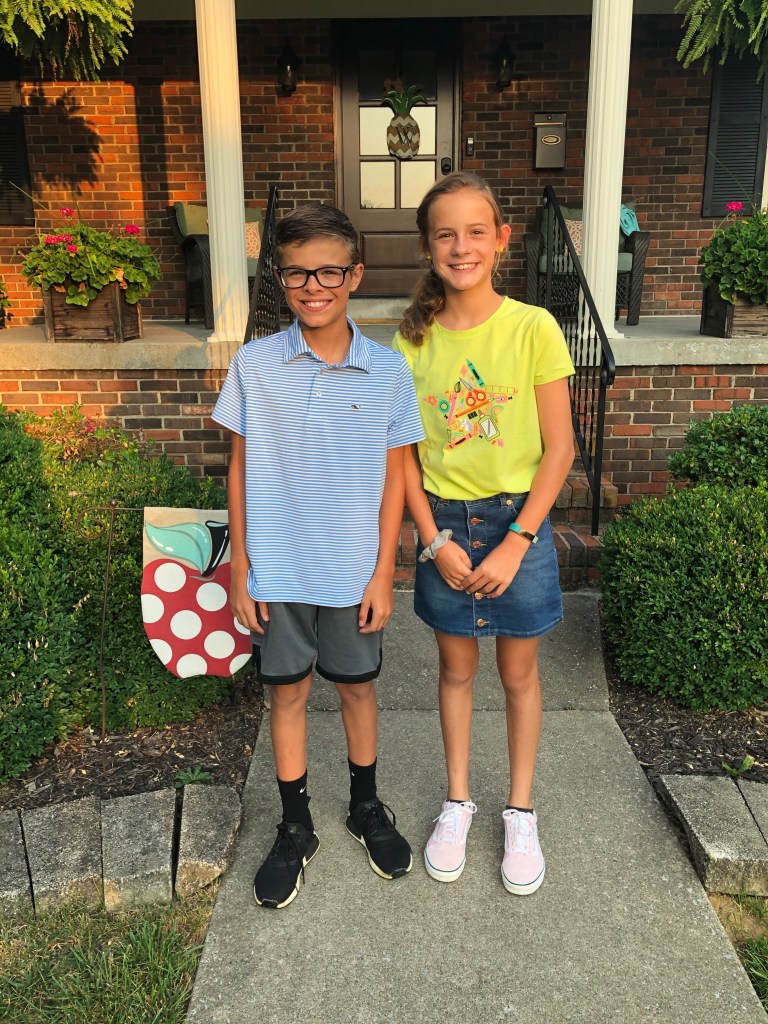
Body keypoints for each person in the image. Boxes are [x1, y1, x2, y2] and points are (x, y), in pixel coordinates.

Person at [213, 203, 424, 909]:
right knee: (288, 694)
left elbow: (396, 478)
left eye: (329, 271)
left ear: (354, 275)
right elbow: (239, 469)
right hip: (277, 568)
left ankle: (365, 807)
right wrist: (241, 567)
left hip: (352, 570)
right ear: (281, 278)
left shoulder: (387, 370)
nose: (313, 286)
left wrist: (385, 572)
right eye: (297, 272)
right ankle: (295, 824)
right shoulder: (255, 364)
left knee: (358, 687)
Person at [393, 172, 575, 895]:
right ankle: (458, 801)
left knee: (519, 674)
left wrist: (517, 541)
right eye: (445, 234)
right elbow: (403, 458)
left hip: (516, 524)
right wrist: (433, 541)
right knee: (456, 670)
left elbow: (559, 449)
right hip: (444, 526)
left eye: (476, 231)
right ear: (427, 246)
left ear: (500, 240)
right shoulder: (411, 341)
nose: (460, 246)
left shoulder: (534, 328)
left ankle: (520, 811)